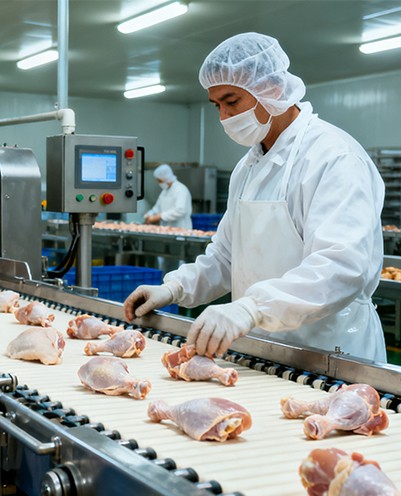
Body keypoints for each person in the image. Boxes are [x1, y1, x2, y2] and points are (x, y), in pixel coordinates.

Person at [123, 32, 387, 363]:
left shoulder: (333, 157)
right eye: (217, 105)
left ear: (272, 90)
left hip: (330, 349)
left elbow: (340, 268)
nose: (223, 117)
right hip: (262, 345)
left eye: (232, 101)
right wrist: (174, 288)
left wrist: (251, 308)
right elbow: (225, 257)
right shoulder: (248, 167)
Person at [144, 164, 193, 230]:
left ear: (166, 178)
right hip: (166, 229)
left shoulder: (180, 190)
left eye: (160, 181)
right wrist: (149, 214)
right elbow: (157, 208)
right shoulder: (165, 191)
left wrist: (160, 216)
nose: (159, 183)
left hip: (181, 228)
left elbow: (180, 211)